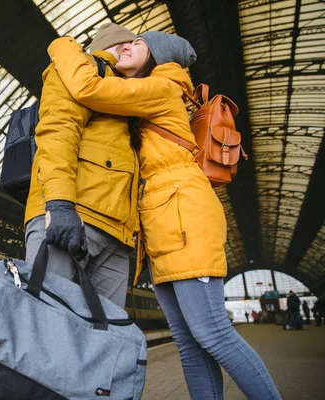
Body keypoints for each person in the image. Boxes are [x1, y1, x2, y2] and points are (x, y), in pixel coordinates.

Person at [48, 31, 281, 400]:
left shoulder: (161, 87)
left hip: (183, 213)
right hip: (163, 222)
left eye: (137, 44)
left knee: (213, 333)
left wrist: (61, 45)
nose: (126, 46)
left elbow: (87, 88)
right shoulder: (147, 94)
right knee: (189, 344)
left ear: (156, 58)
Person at [24, 23, 140, 309]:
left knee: (102, 339)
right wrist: (61, 203)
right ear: (126, 48)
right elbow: (58, 132)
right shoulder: (81, 69)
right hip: (73, 216)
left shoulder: (128, 96)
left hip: (116, 236)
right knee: (51, 327)